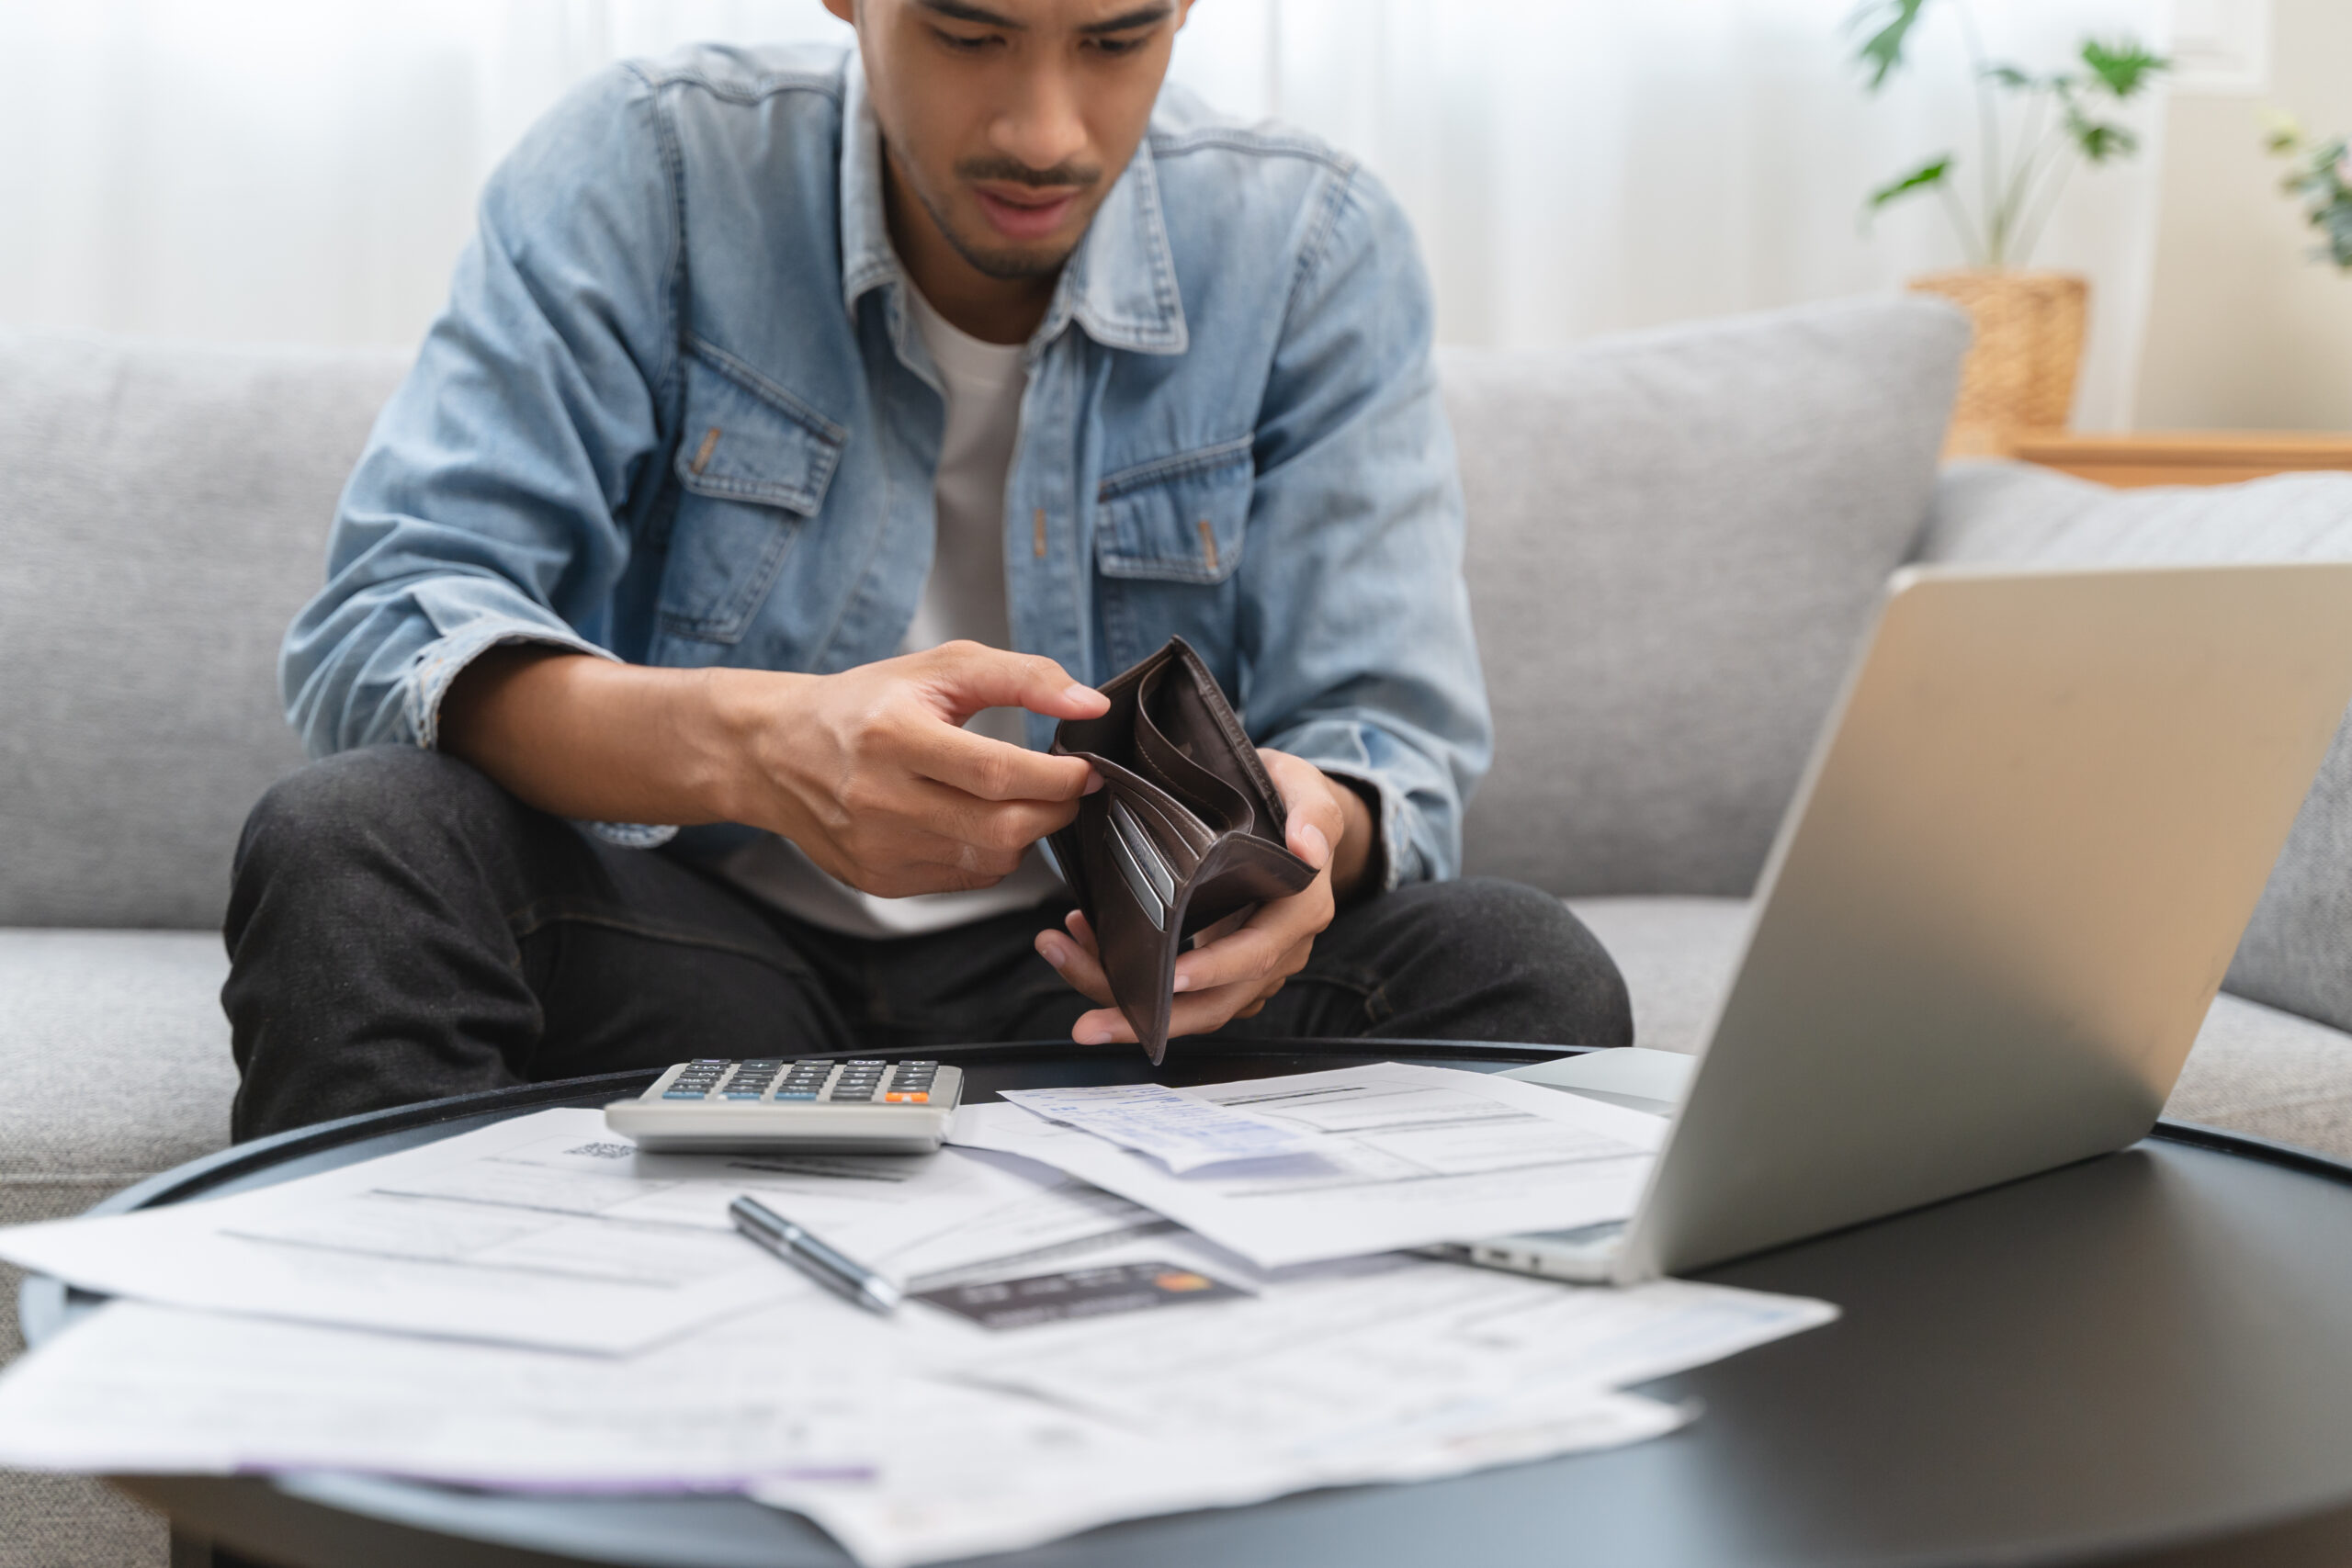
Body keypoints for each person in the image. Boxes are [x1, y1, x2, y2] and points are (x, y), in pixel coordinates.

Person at [223, 0, 1632, 1141]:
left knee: (1519, 967)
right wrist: (754, 747)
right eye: (968, 32)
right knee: (351, 840)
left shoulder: (1311, 244)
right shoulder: (651, 167)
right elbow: (387, 626)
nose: (1045, 131)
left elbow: (1385, 741)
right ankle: (394, 1400)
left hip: (1102, 1001)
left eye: (1116, 38)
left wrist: (1303, 840)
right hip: (696, 957)